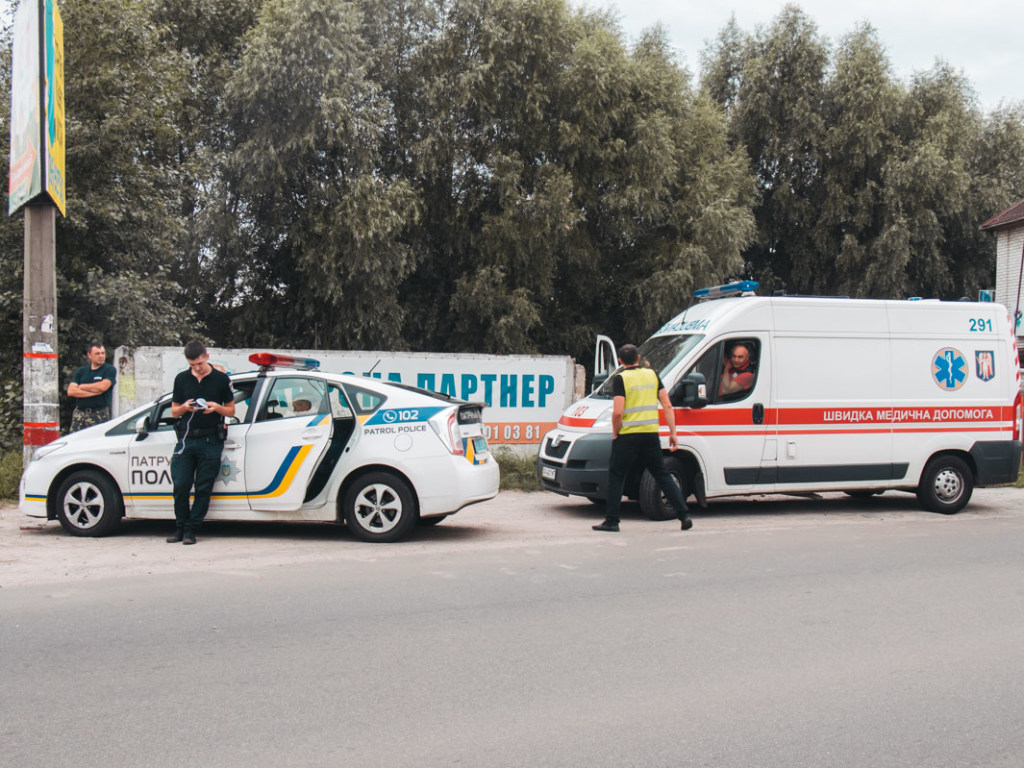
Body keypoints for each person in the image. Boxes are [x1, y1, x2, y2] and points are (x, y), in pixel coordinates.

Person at [593, 344, 692, 533]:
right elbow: (667, 405)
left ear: (620, 361)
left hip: (628, 436)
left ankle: (612, 520)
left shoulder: (621, 378)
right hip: (650, 435)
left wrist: (615, 432)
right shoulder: (652, 375)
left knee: (616, 476)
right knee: (662, 474)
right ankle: (684, 515)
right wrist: (673, 433)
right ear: (638, 358)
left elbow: (618, 412)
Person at [167, 341, 234, 545]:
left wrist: (215, 408)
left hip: (210, 439)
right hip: (186, 439)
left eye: (199, 363)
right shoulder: (182, 379)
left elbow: (231, 410)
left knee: (203, 488)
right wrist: (186, 407)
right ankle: (179, 526)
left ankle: (191, 529)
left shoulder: (221, 379)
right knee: (180, 485)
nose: (196, 368)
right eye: (192, 364)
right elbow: (174, 410)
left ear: (207, 356)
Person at [67, 343, 117, 431]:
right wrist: (95, 392)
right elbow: (71, 391)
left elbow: (102, 387)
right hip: (80, 414)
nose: (101, 356)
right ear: (89, 355)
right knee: (75, 441)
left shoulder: (109, 369)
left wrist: (82, 386)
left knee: (97, 442)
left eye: (103, 353)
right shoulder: (81, 371)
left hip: (99, 413)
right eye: (97, 354)